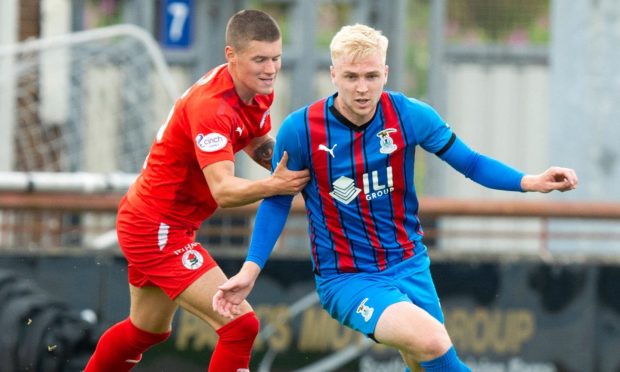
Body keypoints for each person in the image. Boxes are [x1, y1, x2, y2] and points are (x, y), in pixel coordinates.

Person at [212, 23, 579, 372]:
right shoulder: (301, 130)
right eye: (352, 77)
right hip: (347, 277)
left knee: (424, 360)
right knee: (433, 340)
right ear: (334, 74)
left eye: (371, 76)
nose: (361, 88)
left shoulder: (409, 115)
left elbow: (470, 163)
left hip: (409, 264)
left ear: (385, 74)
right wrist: (251, 268)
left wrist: (531, 181)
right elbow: (277, 199)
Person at [84, 9, 310, 372]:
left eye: (276, 58)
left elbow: (253, 139)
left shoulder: (254, 90)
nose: (270, 69)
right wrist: (276, 184)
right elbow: (223, 191)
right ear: (231, 56)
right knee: (241, 325)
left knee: (147, 332)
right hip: (156, 229)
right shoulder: (212, 107)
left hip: (158, 223)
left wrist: (300, 170)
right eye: (260, 60)